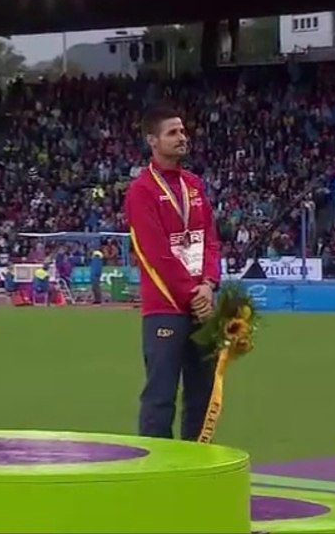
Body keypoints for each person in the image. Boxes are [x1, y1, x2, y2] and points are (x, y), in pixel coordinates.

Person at [125, 102, 221, 441]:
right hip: (166, 308)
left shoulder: (194, 185)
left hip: (202, 303)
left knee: (203, 396)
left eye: (183, 131)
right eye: (173, 133)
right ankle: (157, 474)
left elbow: (210, 239)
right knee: (160, 398)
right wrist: (191, 294)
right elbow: (156, 254)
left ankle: (196, 466)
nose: (183, 137)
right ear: (153, 141)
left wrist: (208, 284)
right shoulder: (142, 191)